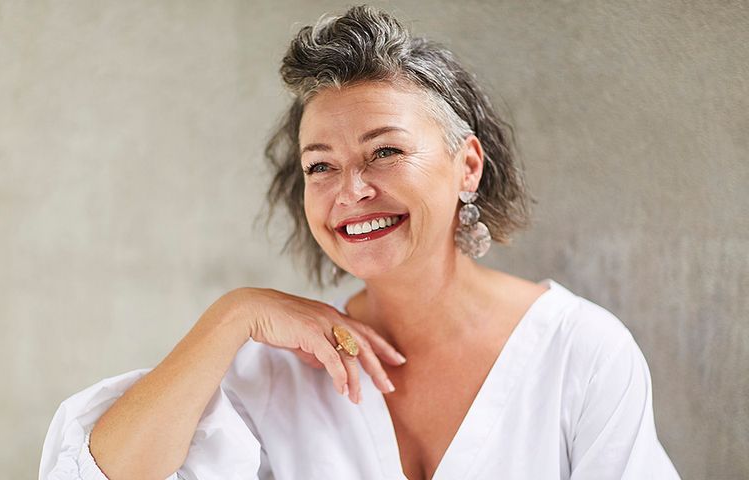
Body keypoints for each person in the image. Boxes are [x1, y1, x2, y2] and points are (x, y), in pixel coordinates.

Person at [39, 6, 680, 480]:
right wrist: (232, 315)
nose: (352, 190)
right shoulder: (277, 372)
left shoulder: (580, 352)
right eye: (321, 165)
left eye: (386, 152)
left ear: (467, 166)